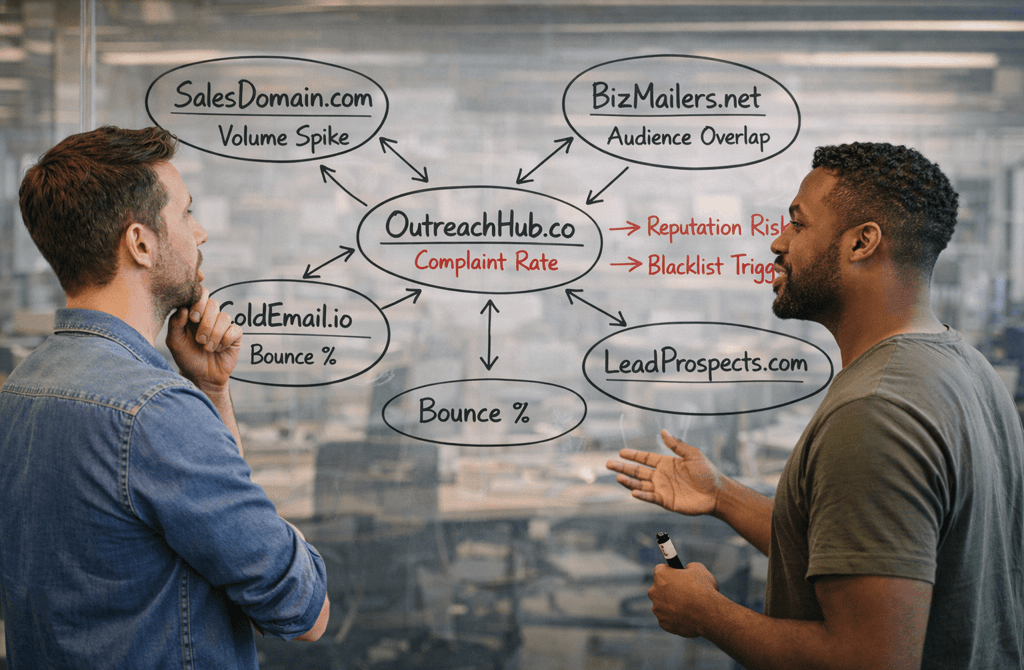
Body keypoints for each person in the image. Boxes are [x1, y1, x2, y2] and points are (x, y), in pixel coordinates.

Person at [607, 142, 1024, 669]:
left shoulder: (875, 412)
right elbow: (859, 548)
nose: (778, 243)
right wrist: (722, 495)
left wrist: (707, 613)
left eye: (798, 225)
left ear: (861, 243)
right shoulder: (966, 367)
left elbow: (868, 660)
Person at [0, 126, 330, 667]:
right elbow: (302, 608)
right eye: (186, 214)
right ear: (141, 243)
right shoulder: (152, 412)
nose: (201, 234)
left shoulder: (24, 387)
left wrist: (210, 389)